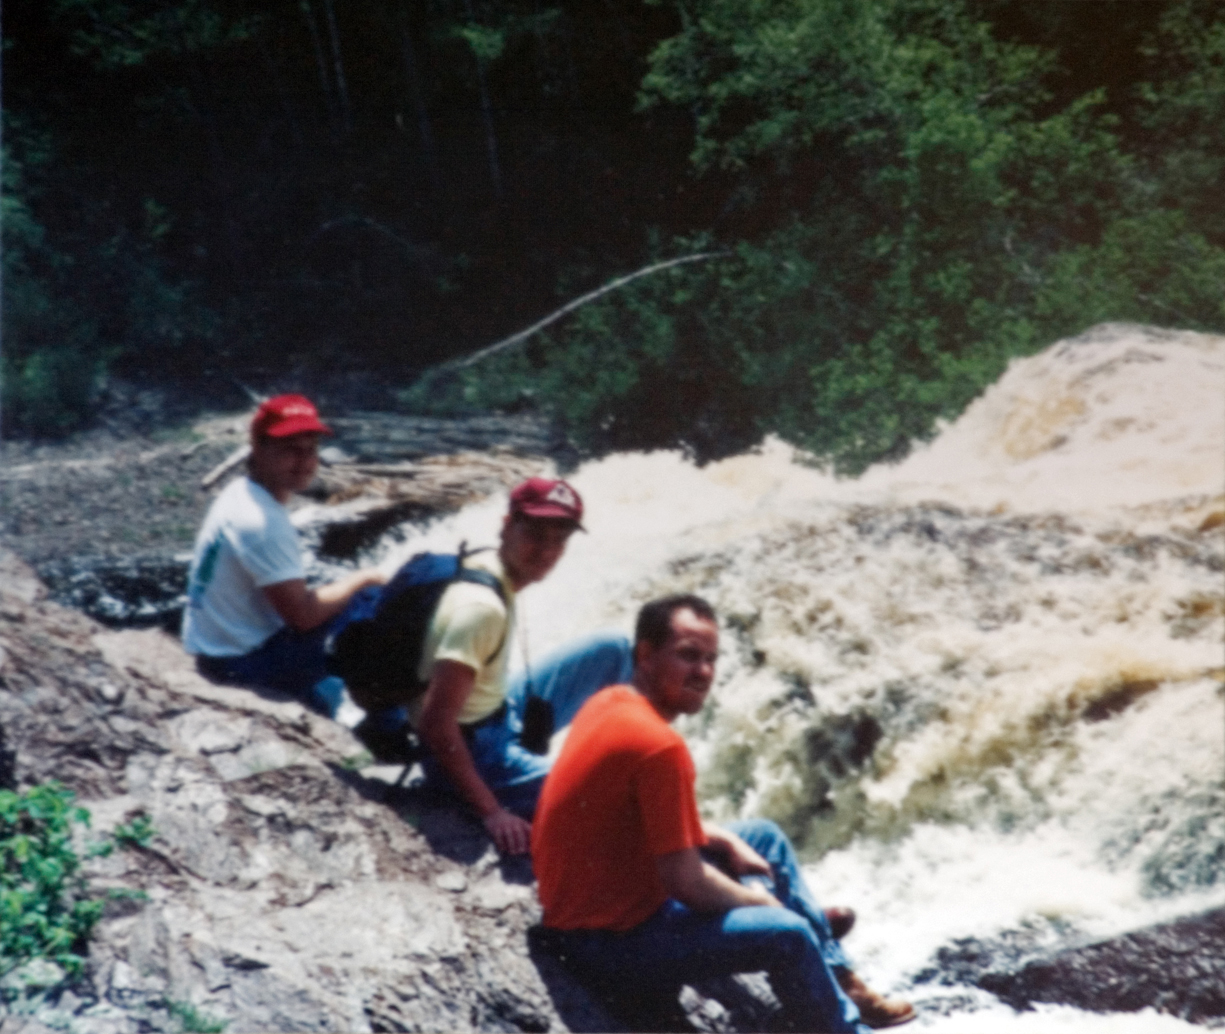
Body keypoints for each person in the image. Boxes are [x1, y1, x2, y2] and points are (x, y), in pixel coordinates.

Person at [531, 594, 916, 1031]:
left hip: (584, 912)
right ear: (645, 654)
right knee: (788, 936)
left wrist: (728, 840)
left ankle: (841, 981)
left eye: (711, 659)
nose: (703, 672)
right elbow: (687, 882)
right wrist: (764, 904)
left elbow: (645, 819)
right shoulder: (658, 746)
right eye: (688, 656)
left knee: (761, 835)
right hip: (610, 944)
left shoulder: (611, 701)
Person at [406, 476, 633, 856]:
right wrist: (492, 812)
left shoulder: (485, 563)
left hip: (494, 713)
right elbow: (435, 722)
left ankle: (627, 756)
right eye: (536, 532)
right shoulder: (481, 610)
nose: (546, 549)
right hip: (478, 755)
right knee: (616, 803)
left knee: (614, 649)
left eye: (559, 538)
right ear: (507, 525)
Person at [182, 394, 387, 716]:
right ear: (258, 448)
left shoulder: (240, 493)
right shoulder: (261, 522)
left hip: (218, 650)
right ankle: (387, 726)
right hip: (242, 665)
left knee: (340, 599)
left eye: (311, 450)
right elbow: (302, 617)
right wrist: (365, 578)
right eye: (290, 450)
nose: (304, 462)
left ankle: (332, 701)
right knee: (373, 599)